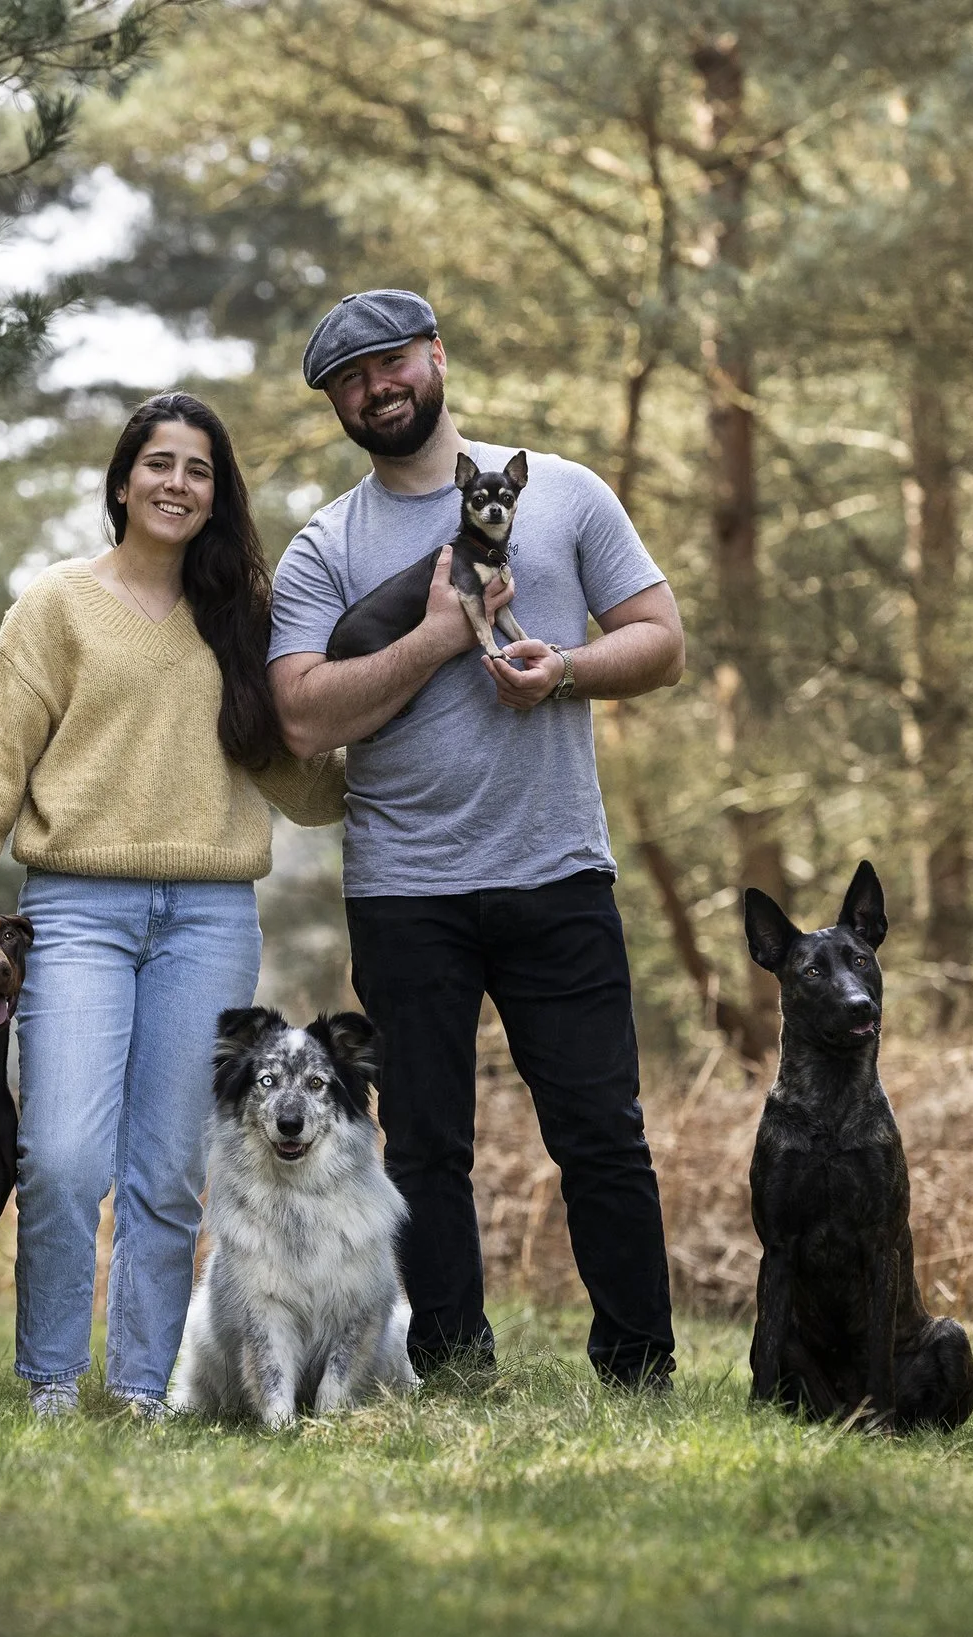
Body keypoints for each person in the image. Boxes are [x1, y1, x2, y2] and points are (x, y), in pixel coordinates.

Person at [266, 289, 685, 1389]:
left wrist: (565, 672)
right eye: (349, 380)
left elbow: (661, 640)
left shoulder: (567, 495)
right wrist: (438, 638)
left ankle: (639, 1371)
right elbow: (303, 715)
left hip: (557, 867)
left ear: (435, 357)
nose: (374, 387)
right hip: (405, 890)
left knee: (600, 1133)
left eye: (389, 362)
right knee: (426, 1148)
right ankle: (454, 1370)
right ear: (338, 404)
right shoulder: (325, 545)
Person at [0, 391, 345, 1421]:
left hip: (209, 917)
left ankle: (141, 1388)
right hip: (75, 912)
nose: (176, 483)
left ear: (216, 493)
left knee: (166, 1174)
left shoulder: (246, 620)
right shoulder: (56, 606)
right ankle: (53, 1382)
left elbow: (299, 775)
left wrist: (398, 745)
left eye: (198, 469)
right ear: (120, 479)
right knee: (59, 1158)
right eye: (158, 463)